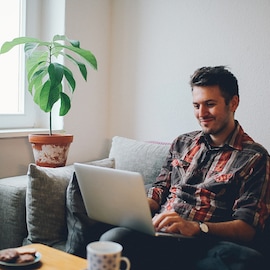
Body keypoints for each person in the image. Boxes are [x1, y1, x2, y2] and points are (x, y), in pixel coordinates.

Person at [100, 66, 270, 269]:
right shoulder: (182, 143)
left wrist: (197, 228)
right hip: (162, 232)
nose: (202, 113)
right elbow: (160, 188)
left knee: (245, 262)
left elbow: (247, 228)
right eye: (196, 105)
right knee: (112, 239)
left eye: (210, 104)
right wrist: (137, 207)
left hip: (206, 242)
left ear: (233, 103)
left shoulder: (254, 157)